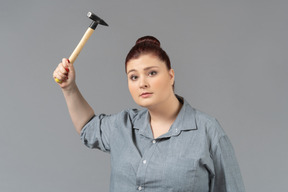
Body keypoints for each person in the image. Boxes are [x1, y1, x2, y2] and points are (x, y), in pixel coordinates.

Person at [53, 36, 245, 192]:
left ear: (171, 76)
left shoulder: (208, 131)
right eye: (133, 76)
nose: (142, 83)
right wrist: (69, 88)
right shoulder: (123, 125)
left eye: (151, 73)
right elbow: (88, 127)